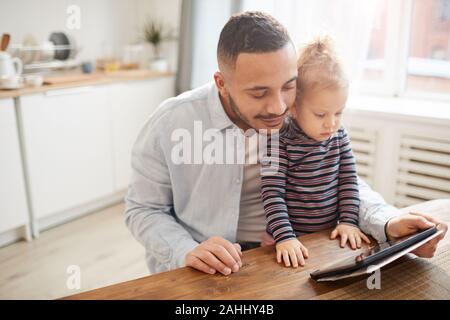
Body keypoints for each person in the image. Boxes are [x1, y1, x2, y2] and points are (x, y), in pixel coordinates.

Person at [125, 11, 447, 276]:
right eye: (259, 92)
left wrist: (388, 222)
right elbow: (143, 209)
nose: (279, 107)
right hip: (196, 272)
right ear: (222, 83)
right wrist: (186, 250)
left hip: (281, 258)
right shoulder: (171, 124)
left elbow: (336, 178)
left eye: (288, 87)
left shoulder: (298, 117)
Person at [261, 36, 370, 268]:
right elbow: (272, 194)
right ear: (294, 106)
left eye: (338, 113)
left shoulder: (339, 137)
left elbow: (349, 182)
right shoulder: (278, 139)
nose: (331, 123)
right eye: (321, 115)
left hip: (325, 238)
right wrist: (285, 237)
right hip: (284, 241)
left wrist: (349, 222)